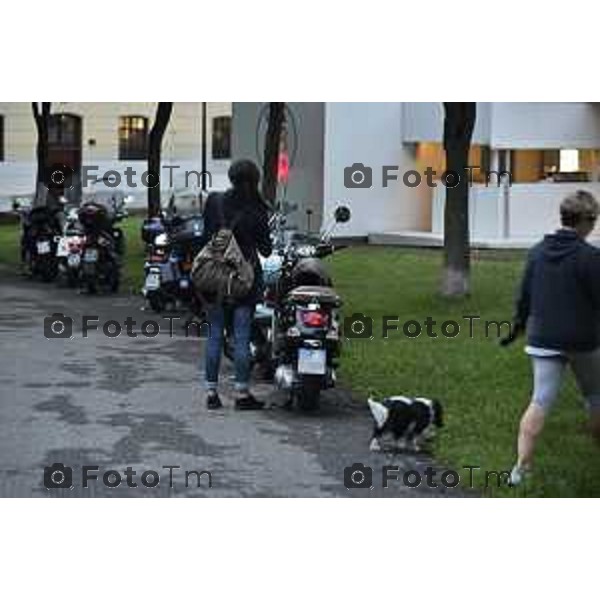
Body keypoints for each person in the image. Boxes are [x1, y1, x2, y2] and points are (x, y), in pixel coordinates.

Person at [508, 190, 600, 485]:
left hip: (543, 339)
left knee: (540, 400)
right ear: (585, 221)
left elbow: (524, 296)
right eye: (594, 219)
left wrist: (519, 326)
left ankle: (520, 469)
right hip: (582, 341)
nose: (595, 225)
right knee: (596, 397)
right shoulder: (590, 257)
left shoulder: (537, 252)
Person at [201, 159, 272, 410]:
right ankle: (242, 394)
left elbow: (205, 235)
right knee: (241, 336)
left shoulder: (214, 201)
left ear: (231, 178)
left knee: (214, 335)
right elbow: (266, 249)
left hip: (213, 277)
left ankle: (211, 393)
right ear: (255, 180)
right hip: (244, 280)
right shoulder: (257, 209)